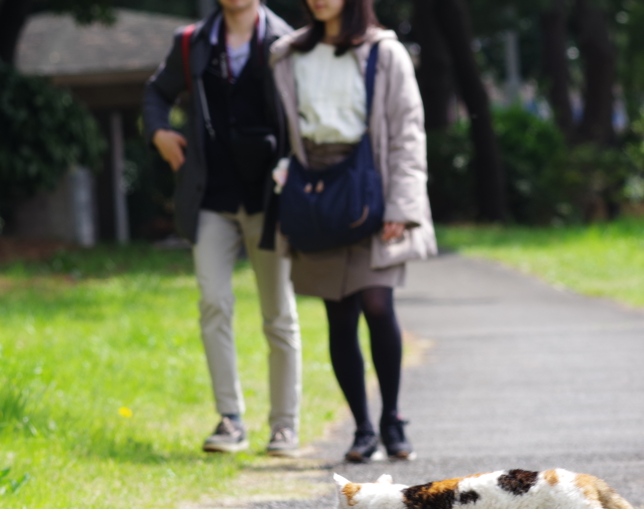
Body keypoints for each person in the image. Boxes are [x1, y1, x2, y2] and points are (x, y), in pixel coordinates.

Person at [269, 0, 436, 462]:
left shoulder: (385, 53)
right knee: (338, 314)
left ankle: (393, 419)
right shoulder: (287, 54)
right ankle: (362, 428)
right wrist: (283, 173)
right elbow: (282, 128)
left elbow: (408, 132)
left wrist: (401, 205)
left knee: (378, 304)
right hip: (316, 193)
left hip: (371, 188)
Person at [143, 0, 302, 456]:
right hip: (210, 198)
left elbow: (304, 113)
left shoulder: (287, 44)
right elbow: (156, 94)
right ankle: (230, 420)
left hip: (269, 199)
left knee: (278, 314)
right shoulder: (192, 43)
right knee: (213, 301)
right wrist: (159, 133)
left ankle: (284, 426)